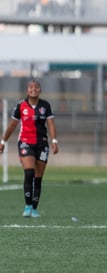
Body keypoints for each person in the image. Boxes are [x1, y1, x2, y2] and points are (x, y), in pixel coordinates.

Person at [0, 79, 59, 218]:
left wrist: (54, 140)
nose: (34, 89)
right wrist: (3, 141)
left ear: (40, 90)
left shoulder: (45, 105)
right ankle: (27, 206)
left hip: (42, 143)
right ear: (27, 90)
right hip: (25, 142)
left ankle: (34, 208)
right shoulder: (20, 106)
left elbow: (50, 123)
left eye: (36, 87)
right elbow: (12, 126)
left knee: (38, 177)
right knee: (29, 173)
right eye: (31, 87)